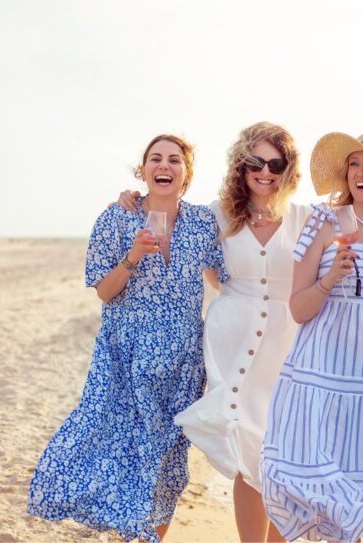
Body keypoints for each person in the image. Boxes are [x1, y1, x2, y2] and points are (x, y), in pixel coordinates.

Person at [115, 122, 311, 542]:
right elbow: (174, 221)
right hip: (232, 342)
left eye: (275, 164)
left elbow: (362, 223)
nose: (265, 172)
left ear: (288, 169)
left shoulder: (307, 217)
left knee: (284, 451)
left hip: (288, 345)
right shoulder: (216, 215)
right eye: (255, 162)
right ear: (241, 166)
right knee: (246, 446)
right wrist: (132, 199)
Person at [27, 135, 227, 542]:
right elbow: (103, 290)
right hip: (126, 356)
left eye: (174, 160)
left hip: (182, 363)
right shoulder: (116, 219)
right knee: (115, 448)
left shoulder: (205, 223)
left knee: (168, 462)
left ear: (186, 173)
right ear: (144, 170)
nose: (164, 165)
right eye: (156, 159)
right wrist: (133, 256)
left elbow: (225, 276)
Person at [259, 132, 363, 542]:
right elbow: (299, 309)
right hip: (324, 374)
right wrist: (331, 278)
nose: (361, 172)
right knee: (302, 475)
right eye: (354, 164)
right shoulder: (324, 221)